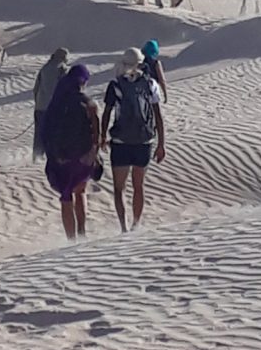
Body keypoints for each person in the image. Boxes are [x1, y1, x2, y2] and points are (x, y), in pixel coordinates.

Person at [101, 47, 165, 233]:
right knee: (139, 186)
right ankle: (137, 224)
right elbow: (158, 115)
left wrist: (102, 136)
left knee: (119, 188)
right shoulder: (150, 83)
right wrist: (161, 143)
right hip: (144, 142)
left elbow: (106, 113)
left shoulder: (115, 84)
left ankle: (123, 226)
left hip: (121, 142)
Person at [43, 64, 101, 241]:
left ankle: (71, 239)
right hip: (83, 158)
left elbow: (46, 131)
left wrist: (53, 154)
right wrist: (94, 153)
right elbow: (96, 134)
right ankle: (82, 233)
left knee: (66, 196)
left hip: (61, 159)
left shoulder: (56, 102)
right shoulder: (89, 103)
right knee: (80, 192)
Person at [32, 48, 70, 160]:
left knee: (39, 133)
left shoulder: (44, 68)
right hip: (55, 107)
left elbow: (36, 89)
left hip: (40, 107)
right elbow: (66, 88)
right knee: (55, 133)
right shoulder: (62, 69)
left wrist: (38, 102)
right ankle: (53, 156)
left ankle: (37, 157)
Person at [141, 39, 168, 104]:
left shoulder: (140, 62)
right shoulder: (156, 63)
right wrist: (165, 94)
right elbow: (162, 79)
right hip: (153, 90)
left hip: (141, 91)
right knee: (156, 111)